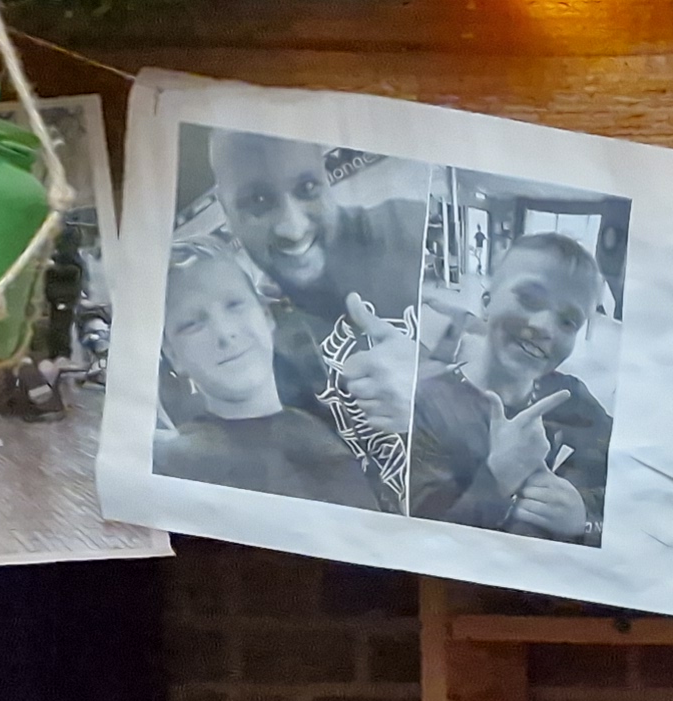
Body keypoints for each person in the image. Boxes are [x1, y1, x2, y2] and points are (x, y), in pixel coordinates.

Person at [200, 129, 424, 468]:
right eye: (258, 201)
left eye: (307, 188)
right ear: (226, 210)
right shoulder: (255, 338)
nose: (292, 229)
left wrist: (431, 393)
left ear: (325, 176)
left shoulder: (409, 231)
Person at [150, 239, 390, 512]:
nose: (224, 333)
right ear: (172, 354)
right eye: (192, 324)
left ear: (266, 316)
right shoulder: (175, 465)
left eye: (234, 304)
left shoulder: (332, 425)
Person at [407, 233, 609, 542]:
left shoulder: (570, 397)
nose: (544, 327)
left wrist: (583, 519)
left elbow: (625, 480)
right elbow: (421, 539)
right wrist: (498, 477)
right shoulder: (426, 404)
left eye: (568, 322)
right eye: (529, 299)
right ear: (486, 304)